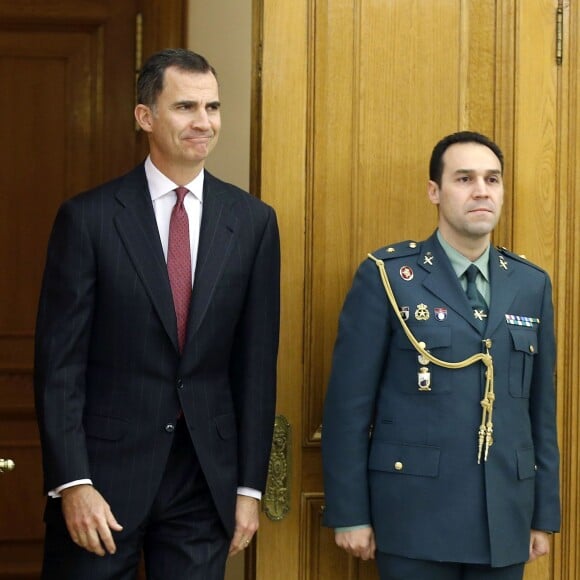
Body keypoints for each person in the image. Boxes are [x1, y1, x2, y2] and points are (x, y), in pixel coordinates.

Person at [34, 48, 280, 579]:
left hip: (204, 481)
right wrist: (73, 482)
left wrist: (247, 489)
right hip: (104, 481)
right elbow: (59, 367)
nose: (204, 122)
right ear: (145, 116)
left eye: (212, 107)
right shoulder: (88, 219)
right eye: (185, 106)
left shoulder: (253, 222)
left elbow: (256, 366)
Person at [322, 131, 560, 579]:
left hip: (504, 518)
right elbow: (348, 406)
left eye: (492, 179)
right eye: (464, 178)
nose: (481, 191)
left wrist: (542, 514)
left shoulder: (530, 285)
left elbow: (539, 412)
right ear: (435, 191)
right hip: (415, 518)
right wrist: (350, 512)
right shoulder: (388, 277)